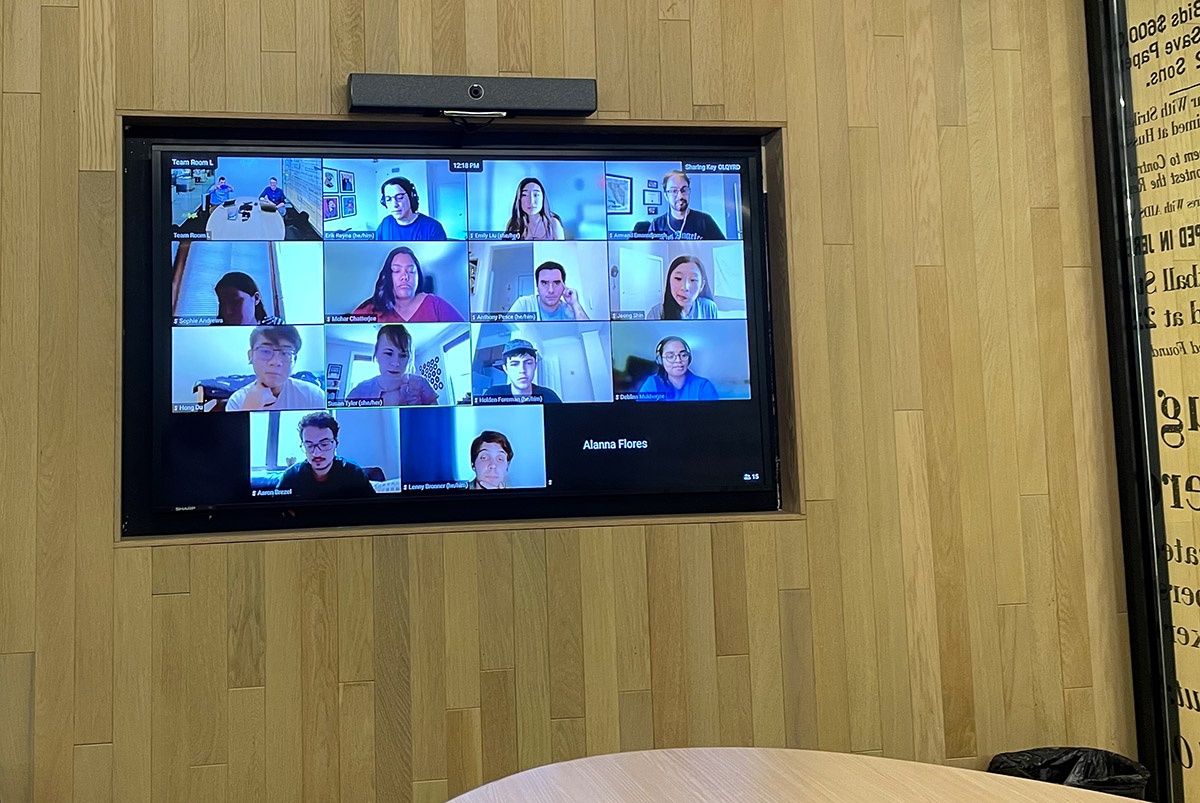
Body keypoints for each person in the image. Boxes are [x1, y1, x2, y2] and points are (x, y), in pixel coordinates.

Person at [275, 411, 377, 499]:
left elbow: (372, 509)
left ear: (336, 443)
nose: (316, 453)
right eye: (309, 445)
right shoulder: (290, 476)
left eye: (324, 444)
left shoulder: (354, 473)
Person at [350, 246, 465, 322]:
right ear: (388, 276)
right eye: (396, 270)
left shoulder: (435, 304)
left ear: (418, 276)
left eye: (411, 271)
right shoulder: (368, 311)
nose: (404, 276)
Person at [226, 325, 325, 411]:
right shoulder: (237, 401)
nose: (276, 362)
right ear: (250, 355)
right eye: (265, 351)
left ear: (295, 360)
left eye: (286, 353)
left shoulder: (314, 395)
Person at [346, 324, 439, 406]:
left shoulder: (421, 384)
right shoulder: (360, 391)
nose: (396, 363)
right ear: (376, 354)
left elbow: (437, 419)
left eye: (403, 355)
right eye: (388, 353)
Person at [648, 170, 725, 240]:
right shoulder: (656, 225)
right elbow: (649, 253)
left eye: (684, 190)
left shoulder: (705, 220)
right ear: (666, 195)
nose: (680, 196)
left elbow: (722, 249)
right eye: (674, 191)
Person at [636, 336, 718, 401]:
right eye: (670, 356)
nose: (678, 360)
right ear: (660, 360)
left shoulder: (703, 385)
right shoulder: (653, 383)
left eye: (683, 355)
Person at [480, 338, 563, 402]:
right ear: (506, 369)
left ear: (535, 366)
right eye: (514, 364)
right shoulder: (493, 395)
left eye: (528, 363)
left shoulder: (549, 397)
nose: (522, 370)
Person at [506, 261, 589, 321]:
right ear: (537, 286)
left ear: (564, 286)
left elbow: (588, 332)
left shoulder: (570, 311)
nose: (551, 290)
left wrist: (574, 303)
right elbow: (508, 330)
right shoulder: (524, 304)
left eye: (556, 283)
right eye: (544, 283)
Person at [646, 255, 719, 320]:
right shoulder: (656, 313)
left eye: (693, 280)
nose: (684, 287)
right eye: (678, 278)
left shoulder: (709, 307)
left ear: (701, 286)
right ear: (669, 281)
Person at [375, 176, 448, 241]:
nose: (394, 204)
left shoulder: (433, 227)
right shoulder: (385, 223)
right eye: (388, 199)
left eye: (400, 197)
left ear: (411, 197)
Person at [214, 272, 283, 325]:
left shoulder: (273, 331)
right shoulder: (214, 334)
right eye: (222, 303)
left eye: (235, 302)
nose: (228, 311)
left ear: (256, 298)